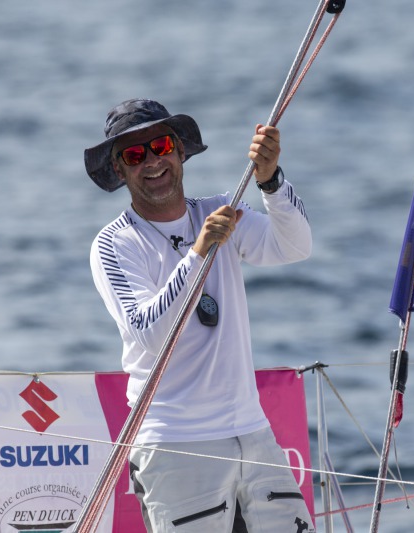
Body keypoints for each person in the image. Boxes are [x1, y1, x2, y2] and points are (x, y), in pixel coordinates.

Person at [85, 99, 315, 533]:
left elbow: (296, 246)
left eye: (161, 145)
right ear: (120, 170)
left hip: (253, 432)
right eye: (135, 155)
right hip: (174, 444)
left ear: (180, 151)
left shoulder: (220, 210)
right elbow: (151, 334)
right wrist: (196, 255)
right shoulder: (113, 245)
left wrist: (271, 182)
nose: (152, 161)